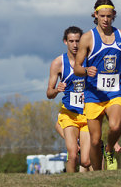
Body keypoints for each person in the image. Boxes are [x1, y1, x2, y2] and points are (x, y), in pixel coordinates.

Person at [74, 0, 121, 171]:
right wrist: (86, 71)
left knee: (115, 127)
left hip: (115, 92)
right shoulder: (87, 38)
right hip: (93, 95)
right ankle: (98, 174)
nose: (105, 19)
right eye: (102, 16)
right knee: (94, 140)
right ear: (95, 15)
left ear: (114, 15)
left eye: (109, 16)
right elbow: (77, 67)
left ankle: (109, 149)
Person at [46, 26, 91, 173]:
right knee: (72, 155)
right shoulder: (58, 63)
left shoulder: (90, 59)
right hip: (69, 113)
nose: (75, 45)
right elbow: (49, 93)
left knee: (86, 160)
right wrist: (57, 90)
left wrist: (91, 92)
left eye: (78, 41)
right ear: (65, 42)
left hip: (87, 113)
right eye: (71, 41)